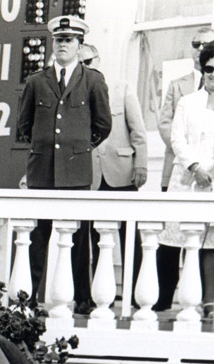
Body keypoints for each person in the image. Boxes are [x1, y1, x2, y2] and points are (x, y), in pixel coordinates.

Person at [15, 14, 111, 312]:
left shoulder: (92, 80)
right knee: (37, 237)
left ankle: (83, 298)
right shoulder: (36, 81)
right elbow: (23, 125)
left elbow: (103, 124)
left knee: (80, 239)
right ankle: (27, 298)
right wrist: (47, 150)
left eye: (69, 40)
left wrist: (78, 148)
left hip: (76, 171)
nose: (62, 45)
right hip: (42, 172)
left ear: (80, 45)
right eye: (58, 40)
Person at [157, 38, 214, 316]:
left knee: (211, 243)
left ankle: (209, 302)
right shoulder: (187, 102)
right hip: (188, 180)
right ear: (203, 70)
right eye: (209, 68)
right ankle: (172, 303)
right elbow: (177, 138)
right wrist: (195, 166)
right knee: (180, 240)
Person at [85, 45, 148, 297]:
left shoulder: (121, 88)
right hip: (91, 175)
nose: (85, 66)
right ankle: (101, 292)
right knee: (94, 237)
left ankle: (136, 291)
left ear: (98, 59)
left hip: (122, 171)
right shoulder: (74, 94)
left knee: (129, 233)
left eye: (89, 60)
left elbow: (138, 130)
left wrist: (141, 162)